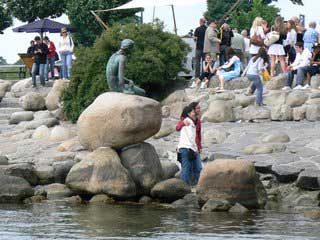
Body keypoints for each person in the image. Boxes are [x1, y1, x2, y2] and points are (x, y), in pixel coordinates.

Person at [176, 103, 202, 184]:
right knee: (187, 169)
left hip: (193, 148)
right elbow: (177, 128)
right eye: (196, 109)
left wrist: (199, 146)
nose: (198, 110)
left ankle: (198, 185)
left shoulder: (197, 122)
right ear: (190, 113)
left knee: (197, 168)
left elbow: (197, 135)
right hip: (186, 148)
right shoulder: (186, 120)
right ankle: (183, 187)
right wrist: (183, 123)